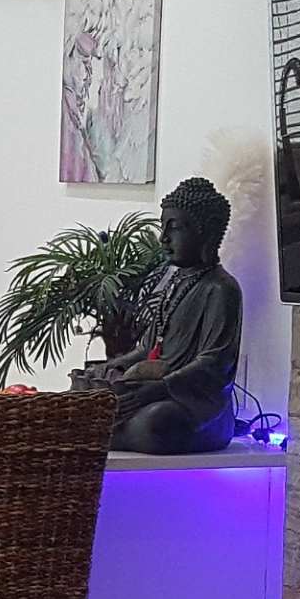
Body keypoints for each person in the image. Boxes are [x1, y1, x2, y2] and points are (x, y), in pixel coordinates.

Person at [73, 176, 244, 454]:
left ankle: (94, 432)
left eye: (174, 228)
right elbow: (150, 349)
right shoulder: (175, 283)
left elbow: (213, 363)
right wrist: (112, 366)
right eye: (163, 227)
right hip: (155, 390)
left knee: (156, 423)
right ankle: (96, 428)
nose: (163, 238)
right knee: (82, 397)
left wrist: (158, 389)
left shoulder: (221, 289)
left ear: (207, 233)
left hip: (198, 405)